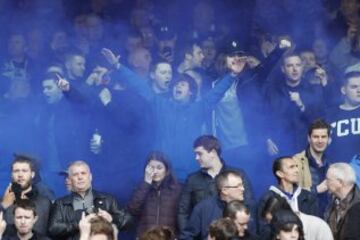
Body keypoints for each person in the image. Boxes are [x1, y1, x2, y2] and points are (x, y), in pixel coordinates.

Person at [101, 48, 243, 181]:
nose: (177, 86)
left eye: (182, 84)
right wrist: (118, 66)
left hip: (188, 174)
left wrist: (233, 75)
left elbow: (215, 93)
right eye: (175, 85)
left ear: (191, 91)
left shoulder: (198, 109)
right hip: (162, 173)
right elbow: (140, 86)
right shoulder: (161, 104)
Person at [177, 135, 254, 232]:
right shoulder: (192, 179)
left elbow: (249, 204)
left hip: (233, 234)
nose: (196, 158)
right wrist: (187, 235)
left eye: (199, 154)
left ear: (213, 153)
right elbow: (183, 212)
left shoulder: (238, 174)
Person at [48, 160, 131, 240]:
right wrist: (79, 224)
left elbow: (128, 221)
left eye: (83, 173)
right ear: (69, 179)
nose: (80, 177)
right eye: (75, 174)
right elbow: (53, 229)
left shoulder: (107, 199)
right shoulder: (60, 203)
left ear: (90, 177)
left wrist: (112, 219)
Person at [266, 52, 324, 155]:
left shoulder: (312, 89)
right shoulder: (273, 91)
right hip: (281, 147)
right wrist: (267, 139)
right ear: (283, 69)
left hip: (307, 147)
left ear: (302, 67)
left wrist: (300, 104)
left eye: (298, 65)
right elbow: (263, 117)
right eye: (290, 65)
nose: (294, 69)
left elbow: (318, 121)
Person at [179, 169, 252, 240]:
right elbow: (187, 236)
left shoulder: (246, 208)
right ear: (225, 190)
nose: (243, 189)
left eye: (242, 185)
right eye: (238, 186)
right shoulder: (203, 208)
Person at [127, 151, 182, 237]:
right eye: (151, 168)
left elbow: (182, 217)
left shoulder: (177, 189)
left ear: (167, 170)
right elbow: (133, 210)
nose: (155, 171)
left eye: (159, 168)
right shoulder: (141, 187)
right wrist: (146, 183)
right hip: (146, 237)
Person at [0, 156, 51, 236]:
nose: (20, 174)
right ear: (11, 175)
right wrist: (3, 205)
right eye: (16, 171)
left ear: (32, 174)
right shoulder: (2, 201)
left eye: (24, 171)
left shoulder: (45, 203)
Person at [292, 119, 331, 214]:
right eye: (316, 137)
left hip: (327, 218)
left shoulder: (330, 164)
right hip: (306, 219)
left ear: (329, 140)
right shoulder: (296, 161)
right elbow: (291, 194)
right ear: (309, 139)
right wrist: (316, 190)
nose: (320, 140)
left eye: (323, 137)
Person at [325, 71, 360, 163]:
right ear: (343, 90)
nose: (359, 90)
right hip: (338, 172)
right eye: (354, 87)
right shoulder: (329, 115)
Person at [325, 162, 360, 239]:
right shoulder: (333, 202)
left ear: (340, 182)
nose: (325, 183)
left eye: (328, 179)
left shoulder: (357, 206)